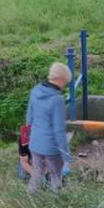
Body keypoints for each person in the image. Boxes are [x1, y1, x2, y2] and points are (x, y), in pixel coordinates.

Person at [25, 62, 73, 194]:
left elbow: (29, 118)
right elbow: (59, 129)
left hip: (35, 143)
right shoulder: (57, 100)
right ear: (61, 79)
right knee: (56, 176)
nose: (65, 85)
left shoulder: (35, 91)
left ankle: (30, 199)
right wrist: (66, 153)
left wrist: (30, 138)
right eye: (66, 82)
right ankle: (55, 202)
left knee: (36, 174)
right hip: (51, 148)